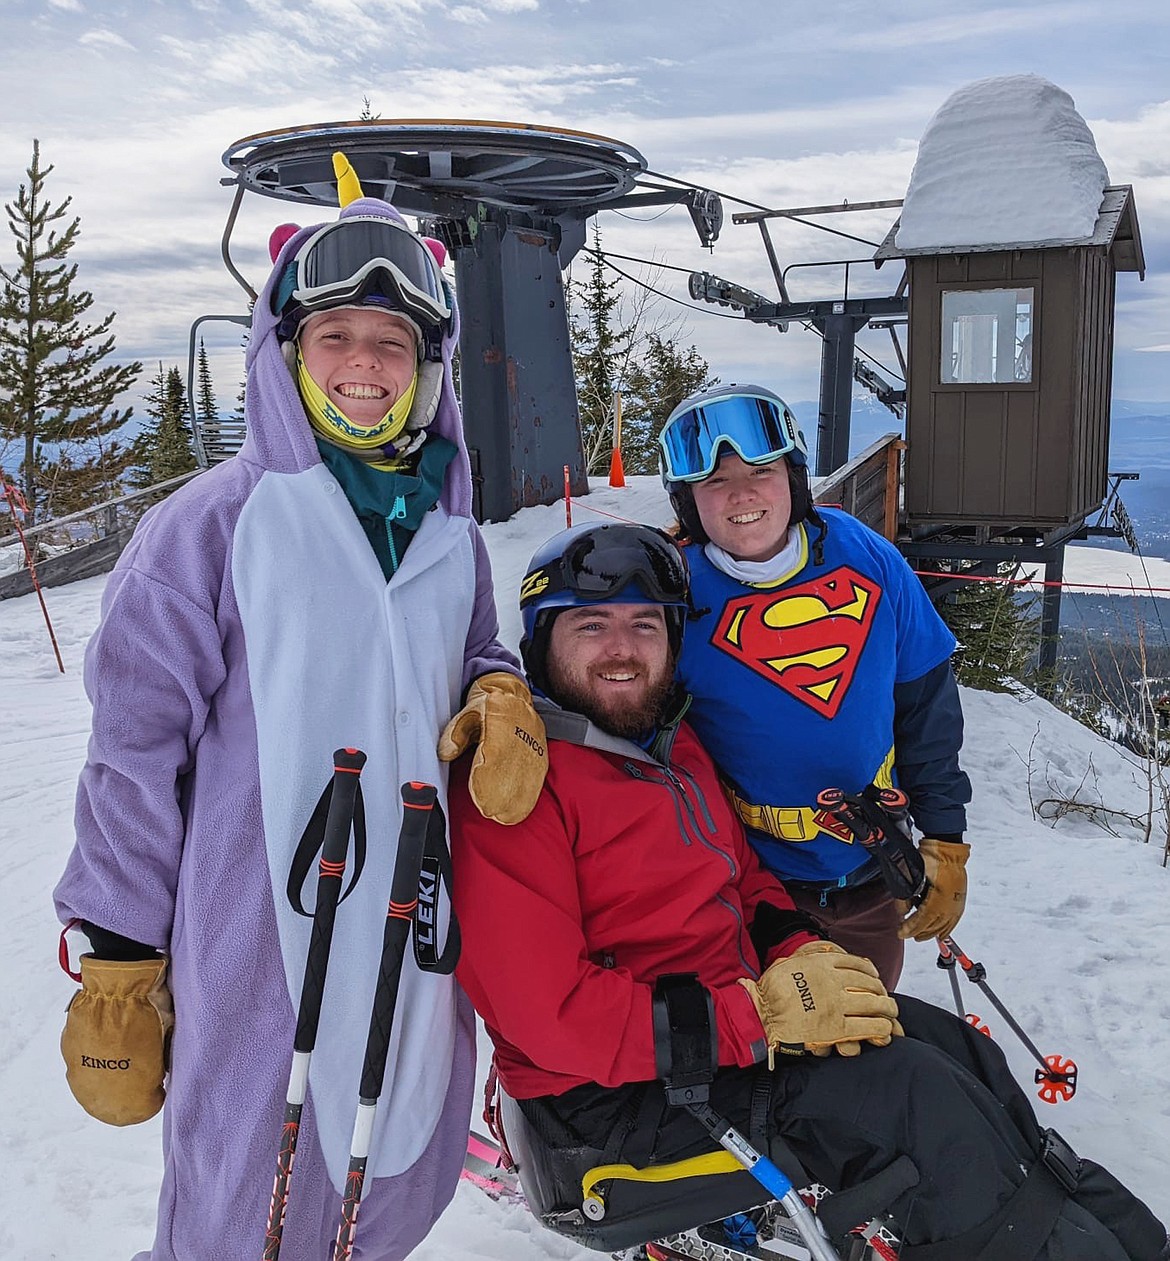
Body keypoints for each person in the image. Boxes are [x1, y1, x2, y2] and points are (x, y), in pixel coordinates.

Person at [53, 163, 547, 1261]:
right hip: (256, 933)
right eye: (338, 339)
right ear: (289, 353)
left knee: (394, 1169)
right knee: (241, 1202)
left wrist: (497, 685)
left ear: (428, 370)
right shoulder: (213, 527)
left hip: (408, 921)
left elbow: (464, 648)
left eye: (392, 344)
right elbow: (133, 753)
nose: (365, 366)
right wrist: (123, 957)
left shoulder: (447, 536)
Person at [448, 522, 1166, 1261]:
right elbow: (550, 1017)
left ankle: (1115, 1240)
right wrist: (756, 1016)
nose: (622, 649)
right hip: (606, 1109)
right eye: (590, 625)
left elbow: (746, 880)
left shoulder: (670, 745)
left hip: (712, 1048)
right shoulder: (514, 788)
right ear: (541, 640)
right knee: (913, 1102)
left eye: (644, 624)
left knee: (947, 1048)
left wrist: (800, 954)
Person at [659, 383, 972, 988]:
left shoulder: (865, 557)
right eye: (715, 482)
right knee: (765, 1053)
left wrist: (944, 835)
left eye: (760, 470)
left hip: (869, 868)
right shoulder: (672, 596)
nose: (742, 494)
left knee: (864, 1035)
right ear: (689, 500)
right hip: (748, 886)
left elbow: (925, 705)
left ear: (794, 479)